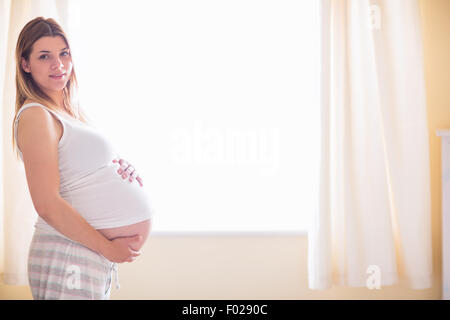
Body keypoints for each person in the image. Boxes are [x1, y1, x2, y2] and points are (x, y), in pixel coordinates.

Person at [12, 17, 155, 299]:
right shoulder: (36, 115)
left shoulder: (69, 113)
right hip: (68, 252)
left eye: (64, 53)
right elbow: (47, 205)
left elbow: (80, 173)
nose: (58, 64)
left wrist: (118, 167)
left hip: (82, 253)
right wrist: (107, 247)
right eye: (45, 56)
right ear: (25, 64)